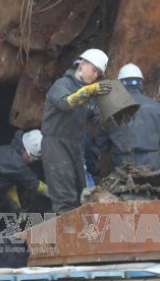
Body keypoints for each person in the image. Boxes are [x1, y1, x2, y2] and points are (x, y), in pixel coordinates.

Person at [41, 48, 112, 213]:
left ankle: (79, 233)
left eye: (99, 73)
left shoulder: (91, 95)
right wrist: (89, 91)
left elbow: (96, 119)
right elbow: (67, 104)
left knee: (81, 193)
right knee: (64, 196)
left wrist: (112, 115)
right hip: (55, 144)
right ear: (82, 64)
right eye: (94, 70)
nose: (96, 75)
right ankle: (66, 234)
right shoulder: (61, 85)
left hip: (76, 145)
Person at [97, 63, 160, 170]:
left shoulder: (110, 108)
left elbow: (102, 143)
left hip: (123, 165)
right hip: (151, 163)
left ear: (120, 84)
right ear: (140, 83)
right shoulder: (157, 108)